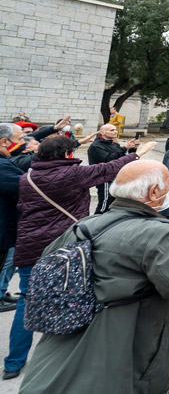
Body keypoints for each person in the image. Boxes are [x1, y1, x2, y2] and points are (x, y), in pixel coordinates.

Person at [17, 159, 169, 394]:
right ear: (154, 191)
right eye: (168, 184)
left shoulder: (84, 226)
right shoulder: (159, 233)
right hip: (123, 354)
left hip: (60, 355)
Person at [3, 135, 156, 380]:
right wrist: (139, 153)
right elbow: (109, 169)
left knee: (27, 301)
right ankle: (63, 358)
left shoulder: (27, 177)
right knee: (75, 298)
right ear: (65, 154)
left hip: (30, 245)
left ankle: (13, 363)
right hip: (66, 246)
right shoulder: (73, 174)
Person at [87, 123, 140, 215]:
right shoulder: (96, 146)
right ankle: (94, 225)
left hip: (116, 178)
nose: (115, 132)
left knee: (115, 205)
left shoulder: (114, 145)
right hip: (105, 179)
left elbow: (123, 159)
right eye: (111, 130)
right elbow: (109, 160)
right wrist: (124, 147)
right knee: (104, 206)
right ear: (102, 132)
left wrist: (132, 149)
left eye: (115, 129)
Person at [0, 141, 24, 313]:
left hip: (9, 223)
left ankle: (2, 291)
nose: (23, 143)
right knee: (6, 261)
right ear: (4, 142)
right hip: (5, 223)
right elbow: (24, 188)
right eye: (20, 139)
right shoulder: (3, 166)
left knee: (10, 261)